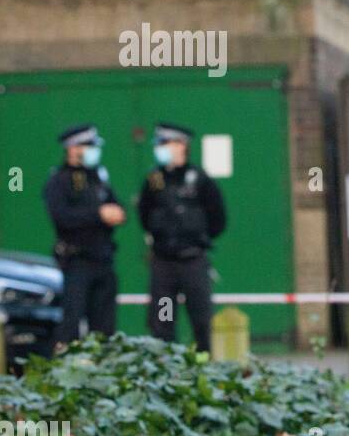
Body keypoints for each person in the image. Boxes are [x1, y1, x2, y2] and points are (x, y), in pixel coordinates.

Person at [137, 122, 227, 353]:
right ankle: (167, 370)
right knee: (163, 319)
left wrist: (195, 238)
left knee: (200, 320)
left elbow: (218, 219)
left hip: (193, 263)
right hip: (164, 266)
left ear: (181, 145)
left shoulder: (200, 180)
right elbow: (144, 216)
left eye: (166, 143)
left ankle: (202, 369)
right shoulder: (154, 180)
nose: (161, 148)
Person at [44, 124, 125, 346]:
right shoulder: (58, 181)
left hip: (103, 259)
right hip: (77, 262)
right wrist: (98, 214)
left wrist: (117, 213)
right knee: (71, 322)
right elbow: (62, 217)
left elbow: (118, 207)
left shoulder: (98, 177)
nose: (91, 151)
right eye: (87, 146)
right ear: (72, 148)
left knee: (104, 327)